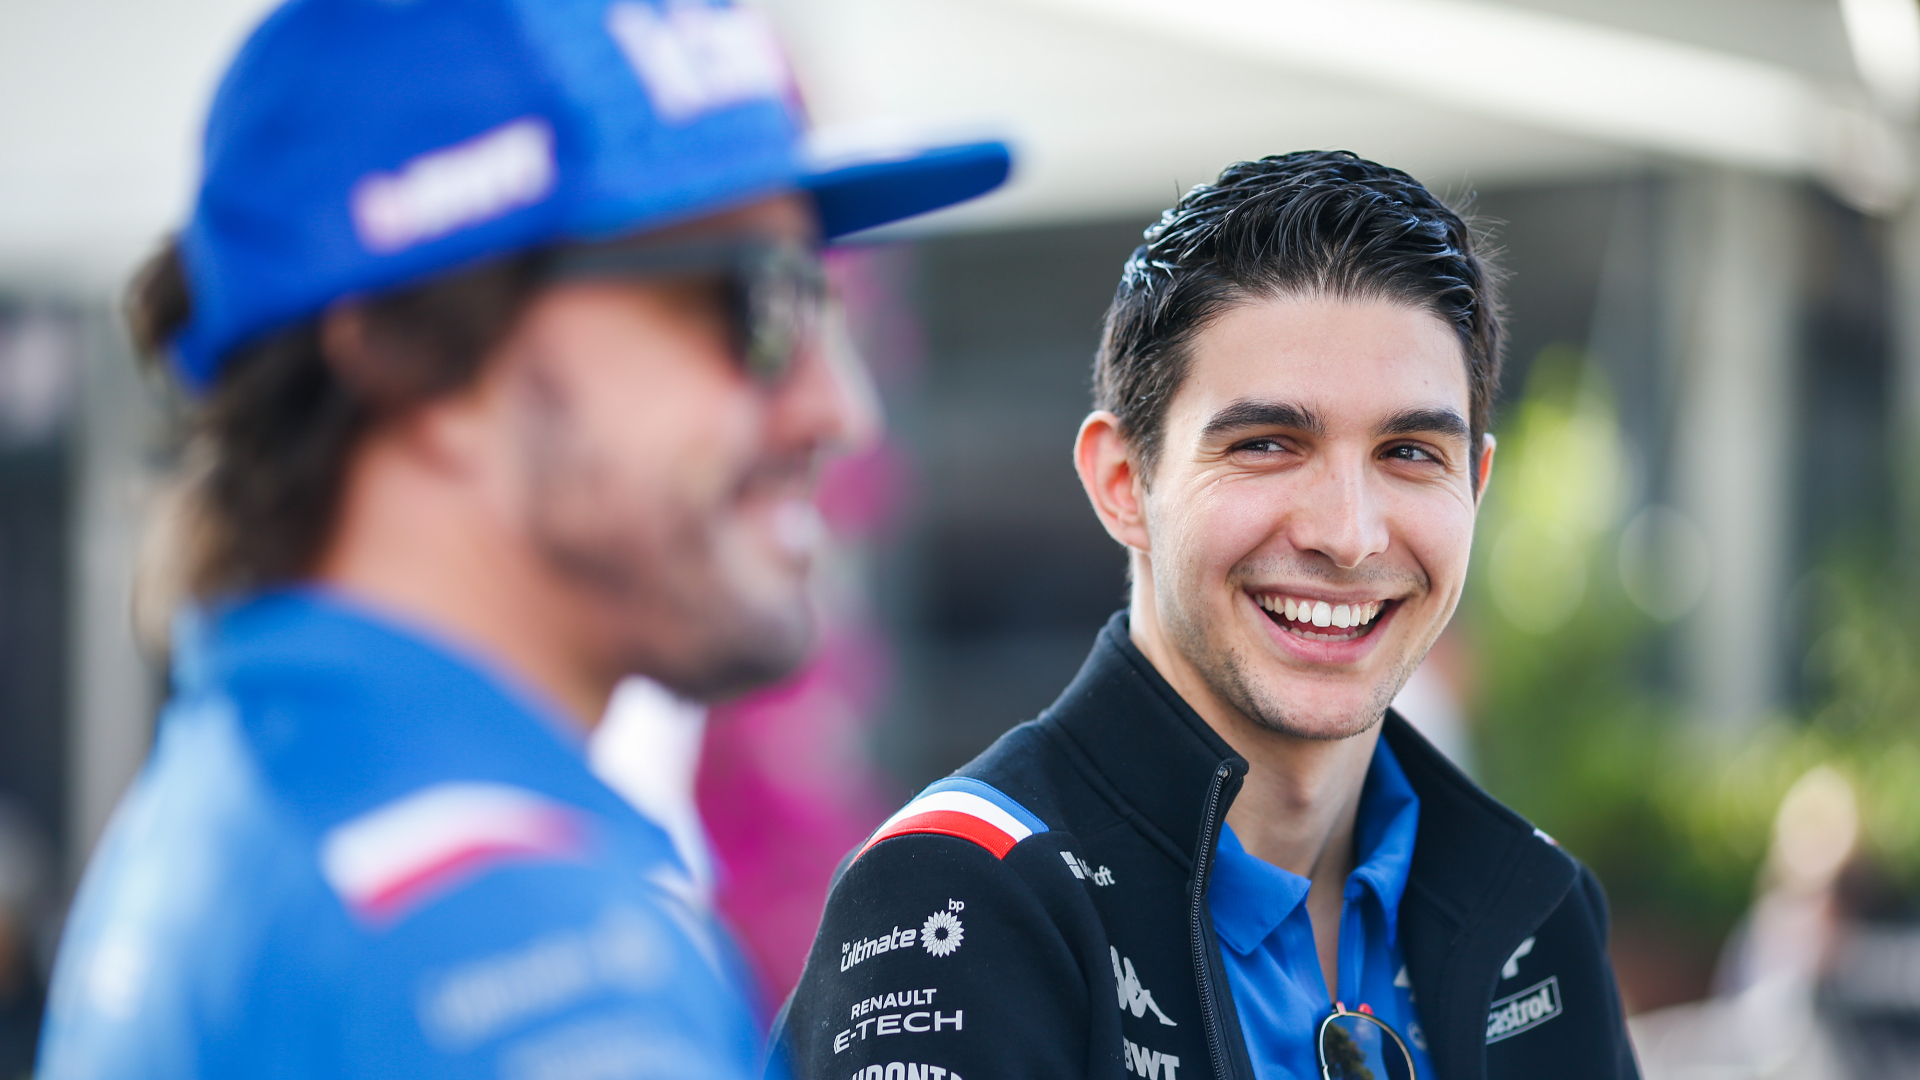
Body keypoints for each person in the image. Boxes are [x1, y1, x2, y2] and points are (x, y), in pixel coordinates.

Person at [33, 1, 1008, 1077]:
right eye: (754, 302)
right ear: (414, 352)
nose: (838, 409)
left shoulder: (268, 810)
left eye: (823, 305)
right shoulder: (509, 945)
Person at [775, 152, 1637, 1080]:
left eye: (1410, 452)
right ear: (1123, 482)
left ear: (1475, 485)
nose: (1349, 536)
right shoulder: (955, 898)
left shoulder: (1537, 911)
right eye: (1268, 444)